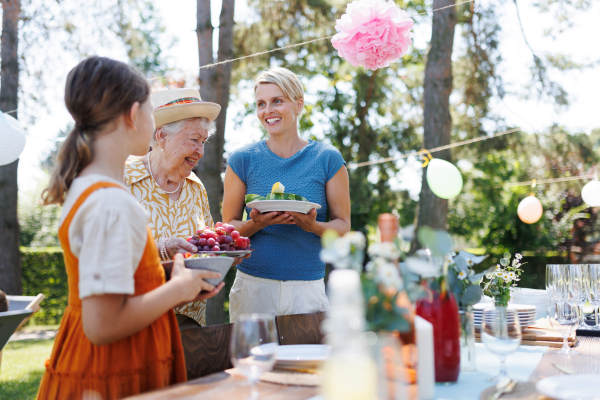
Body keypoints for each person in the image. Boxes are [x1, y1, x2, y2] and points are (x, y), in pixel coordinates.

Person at [37, 56, 224, 400]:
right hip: (110, 373)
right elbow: (103, 325)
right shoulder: (112, 202)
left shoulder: (87, 187)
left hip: (99, 364)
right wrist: (179, 289)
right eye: (151, 112)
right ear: (132, 114)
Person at [222, 67, 351, 323]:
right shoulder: (241, 160)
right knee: (254, 362)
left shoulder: (328, 159)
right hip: (253, 287)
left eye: (277, 101)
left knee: (305, 364)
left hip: (307, 289)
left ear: (298, 104)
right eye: (261, 103)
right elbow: (228, 230)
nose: (267, 110)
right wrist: (254, 224)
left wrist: (313, 226)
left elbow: (344, 227)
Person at [124, 88, 220, 327]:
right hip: (138, 323)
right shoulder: (122, 178)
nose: (201, 150)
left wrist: (224, 254)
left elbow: (206, 247)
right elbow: (108, 252)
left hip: (191, 324)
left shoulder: (196, 188)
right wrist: (162, 248)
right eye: (194, 140)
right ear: (162, 137)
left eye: (204, 141)